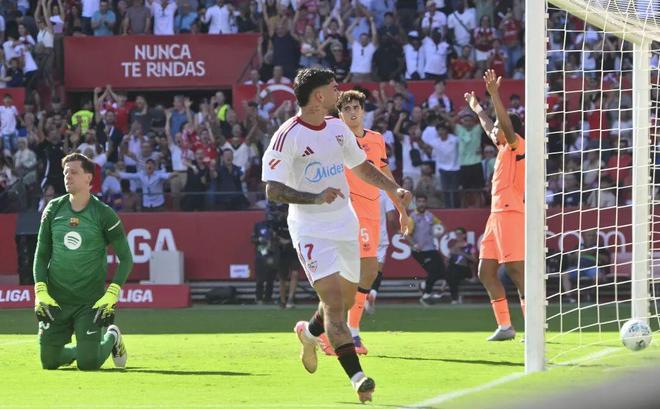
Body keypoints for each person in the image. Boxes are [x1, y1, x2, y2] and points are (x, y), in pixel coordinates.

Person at [261, 67, 411, 403]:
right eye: (333, 88)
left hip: (345, 223)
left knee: (341, 303)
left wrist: (394, 189)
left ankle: (308, 333)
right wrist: (314, 197)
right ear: (319, 96)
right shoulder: (287, 136)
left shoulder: (337, 128)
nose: (339, 93)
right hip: (311, 229)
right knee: (333, 305)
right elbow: (273, 190)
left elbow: (362, 167)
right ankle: (358, 378)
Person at [315, 90, 408, 356]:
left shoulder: (377, 139)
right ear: (340, 114)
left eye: (356, 107)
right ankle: (338, 331)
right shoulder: (335, 138)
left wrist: (401, 209)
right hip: (347, 212)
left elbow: (385, 175)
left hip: (371, 211)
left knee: (367, 272)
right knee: (351, 274)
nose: (352, 112)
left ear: (363, 111)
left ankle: (342, 331)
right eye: (347, 109)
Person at [33, 153, 131, 370]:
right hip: (56, 301)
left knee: (88, 363)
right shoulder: (52, 209)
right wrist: (40, 291)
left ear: (89, 178)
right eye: (65, 172)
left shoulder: (104, 214)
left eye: (74, 172)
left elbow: (126, 258)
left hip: (89, 302)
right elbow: (41, 254)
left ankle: (112, 337)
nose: (67, 176)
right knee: (48, 362)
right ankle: (88, 348)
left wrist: (112, 293)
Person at [464, 69, 525, 341]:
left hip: (511, 212)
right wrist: (477, 108)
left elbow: (504, 128)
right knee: (485, 271)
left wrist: (495, 95)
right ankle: (505, 326)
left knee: (516, 270)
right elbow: (491, 127)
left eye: (501, 126)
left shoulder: (517, 145)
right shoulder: (502, 147)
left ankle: (535, 327)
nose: (495, 131)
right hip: (496, 214)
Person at [405, 194, 448, 305]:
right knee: (433, 271)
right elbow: (407, 234)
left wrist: (440, 230)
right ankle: (426, 296)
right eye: (419, 202)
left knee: (442, 272)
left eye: (423, 201)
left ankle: (424, 285)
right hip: (419, 251)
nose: (422, 204)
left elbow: (441, 225)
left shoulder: (430, 216)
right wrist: (414, 245)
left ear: (426, 203)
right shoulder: (412, 217)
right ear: (416, 203)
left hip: (431, 249)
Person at [364, 190, 397, 315]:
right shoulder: (384, 193)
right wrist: (396, 230)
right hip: (379, 237)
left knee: (363, 271)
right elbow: (391, 218)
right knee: (377, 270)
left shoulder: (358, 190)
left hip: (363, 236)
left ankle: (362, 297)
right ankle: (373, 293)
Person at [252, 208, 280, 304]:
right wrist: (259, 240)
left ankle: (268, 298)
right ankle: (258, 298)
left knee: (270, 279)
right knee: (260, 278)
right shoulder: (259, 225)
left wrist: (275, 238)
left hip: (273, 254)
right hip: (261, 254)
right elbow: (253, 239)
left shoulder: (277, 226)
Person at [447, 227, 477, 303]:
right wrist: (451, 253)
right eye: (456, 234)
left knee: (452, 271)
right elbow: (447, 259)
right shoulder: (454, 246)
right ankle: (455, 299)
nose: (458, 236)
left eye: (459, 234)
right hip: (454, 269)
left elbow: (474, 260)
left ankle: (454, 298)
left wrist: (462, 253)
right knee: (452, 272)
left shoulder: (470, 246)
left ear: (464, 235)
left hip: (465, 269)